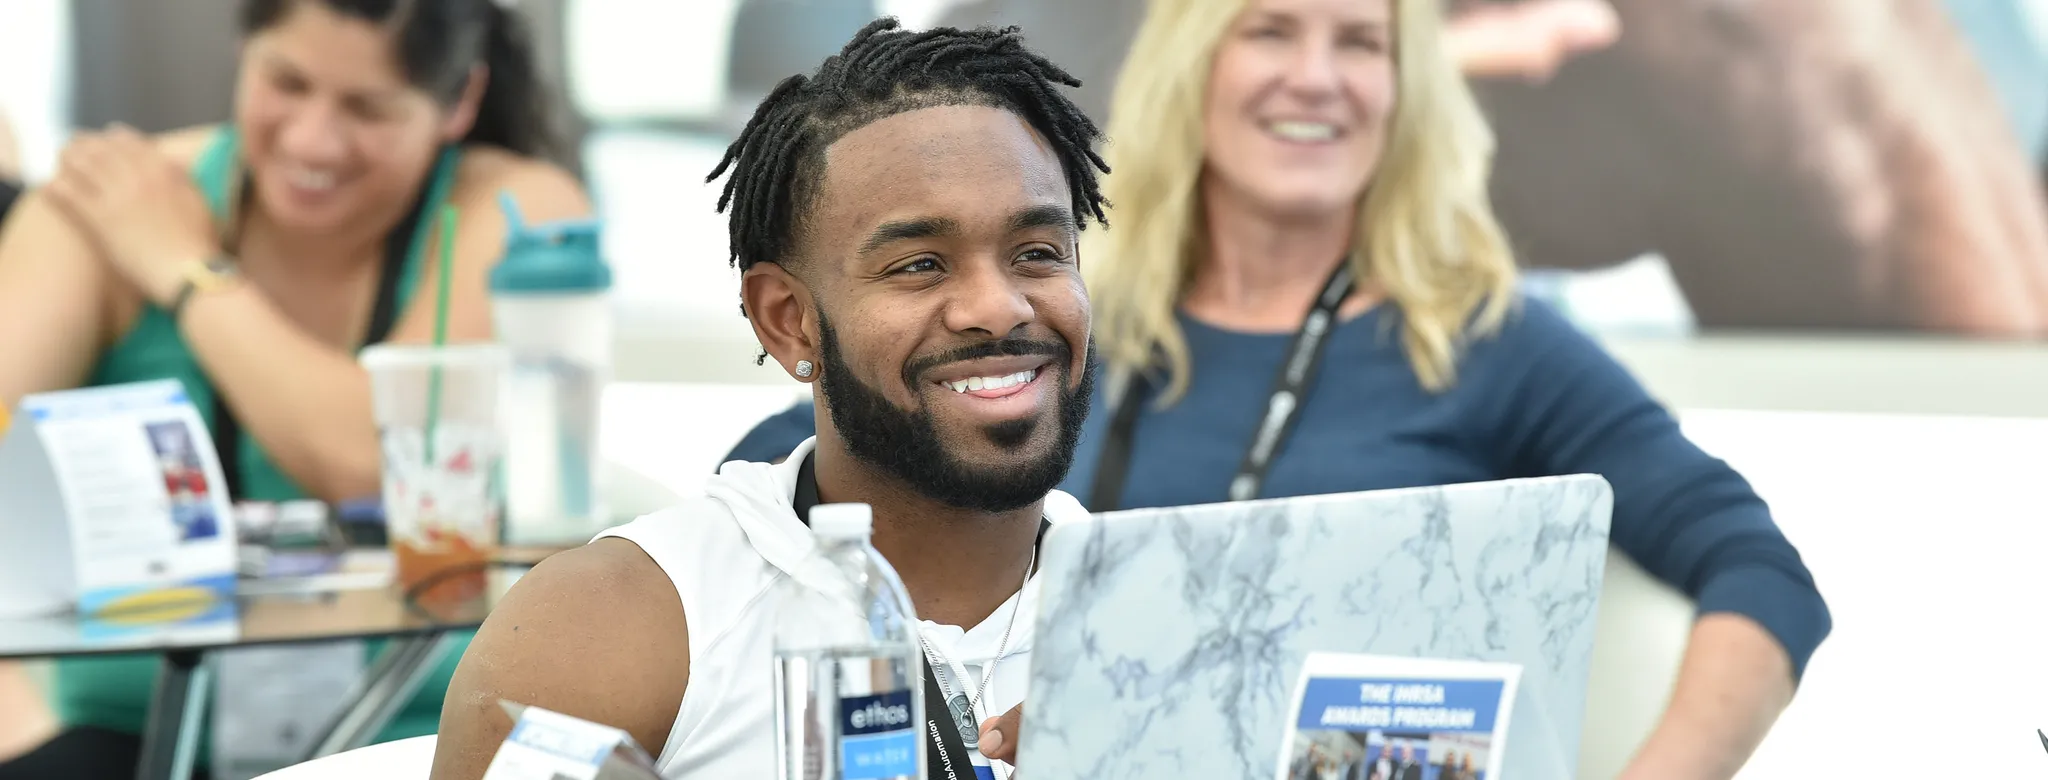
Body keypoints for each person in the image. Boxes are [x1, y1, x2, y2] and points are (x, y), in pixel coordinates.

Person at [728, 1, 1831, 778]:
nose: (1316, 74)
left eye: (1360, 40)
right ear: (1192, 62)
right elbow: (784, 473)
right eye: (1267, 29)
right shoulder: (1049, 323)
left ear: (1404, 90)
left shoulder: (1481, 338)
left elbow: (1759, 571)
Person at [427, 17, 1108, 779]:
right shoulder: (620, 623)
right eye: (919, 264)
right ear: (789, 321)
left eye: (1038, 254)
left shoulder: (1180, 612)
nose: (999, 306)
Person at [0, 0, 588, 776]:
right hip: (141, 735)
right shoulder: (105, 205)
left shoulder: (518, 208)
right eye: (286, 81)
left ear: (459, 104)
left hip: (418, 736)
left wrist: (187, 269)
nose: (313, 139)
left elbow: (374, 461)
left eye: (367, 108)